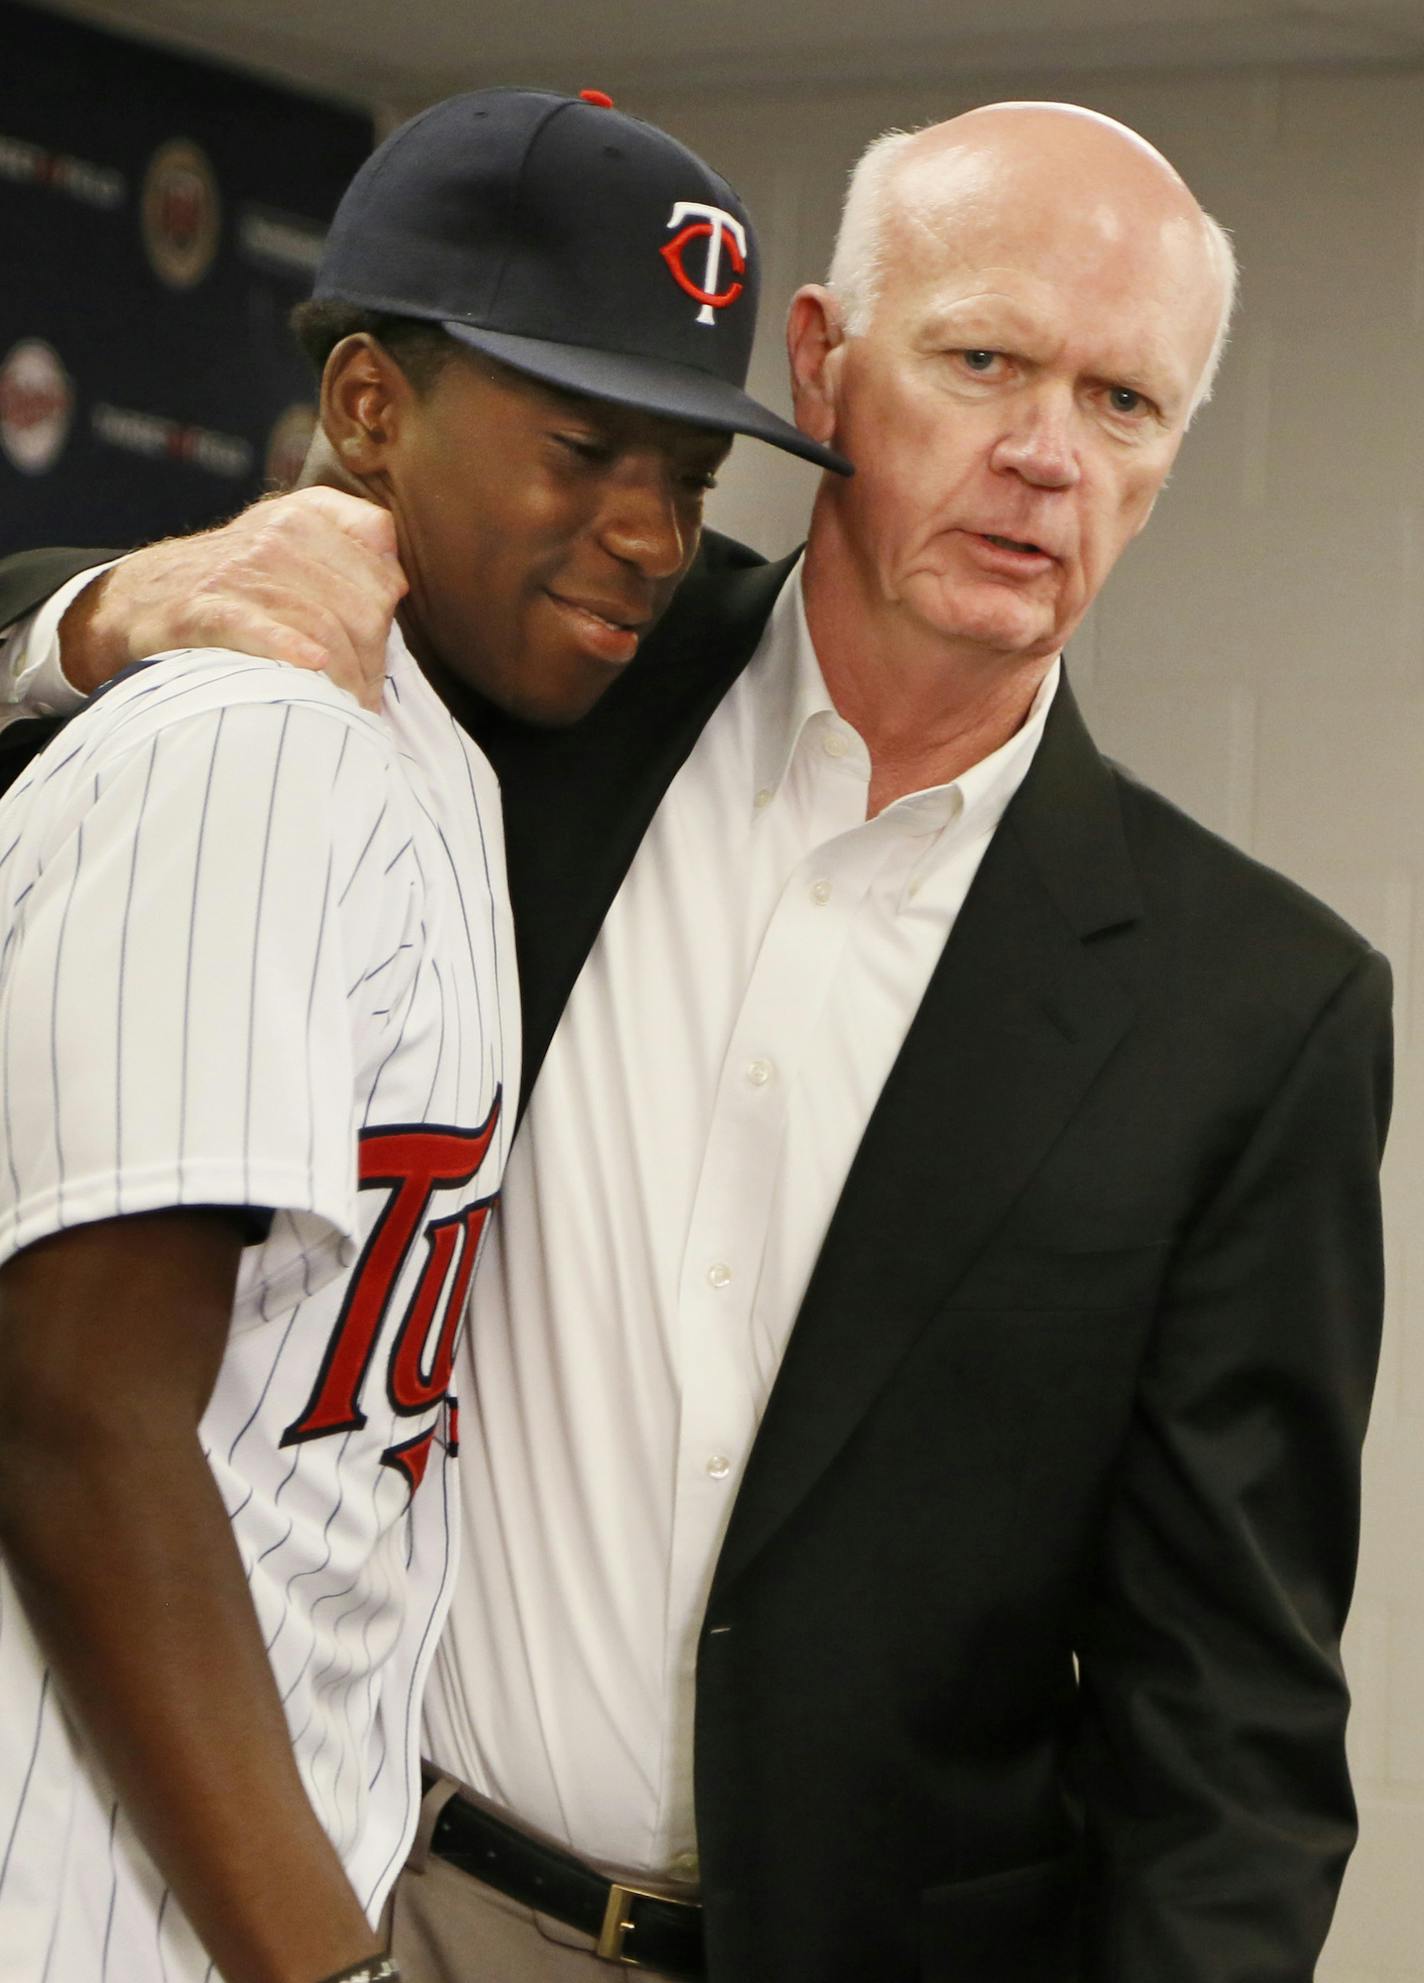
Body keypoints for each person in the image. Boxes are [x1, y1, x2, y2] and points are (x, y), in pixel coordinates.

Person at [0, 103, 1391, 1983]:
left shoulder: (1259, 1008)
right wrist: (97, 612)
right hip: (387, 1893)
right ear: (821, 367)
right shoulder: (530, 665)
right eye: (981, 360)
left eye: (1124, 405)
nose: (1044, 457)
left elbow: (1225, 1716)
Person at [0, 86, 841, 1983]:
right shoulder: (260, 738)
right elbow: (74, 1418)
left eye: (694, 479)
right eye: (584, 446)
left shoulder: (437, 754)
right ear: (370, 405)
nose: (653, 533)